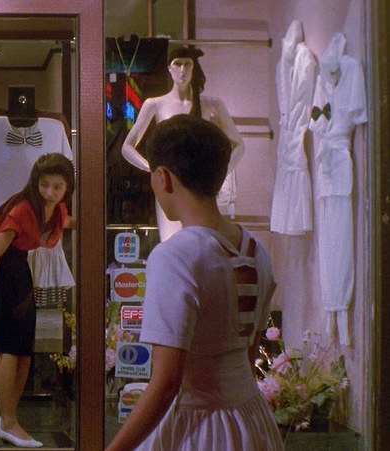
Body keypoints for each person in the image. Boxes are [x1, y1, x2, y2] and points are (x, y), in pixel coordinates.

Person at [105, 115, 283, 451]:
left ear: (163, 177)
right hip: (251, 419)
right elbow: (248, 356)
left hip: (200, 427)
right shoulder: (257, 251)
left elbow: (167, 382)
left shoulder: (175, 256)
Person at [0, 153, 76, 448]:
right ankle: (8, 421)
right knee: (9, 347)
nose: (49, 192)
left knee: (23, 349)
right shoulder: (21, 208)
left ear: (67, 187)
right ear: (35, 182)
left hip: (19, 267)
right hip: (1, 270)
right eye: (44, 185)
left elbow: (64, 222)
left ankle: (8, 419)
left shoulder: (56, 209)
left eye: (57, 186)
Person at [121, 46, 244, 241]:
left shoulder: (212, 104)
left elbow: (239, 145)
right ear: (169, 68)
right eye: (177, 64)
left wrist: (221, 172)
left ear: (194, 67)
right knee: (172, 242)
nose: (182, 70)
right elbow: (127, 147)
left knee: (203, 242)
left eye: (187, 64)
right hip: (170, 185)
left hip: (202, 185)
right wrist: (153, 168)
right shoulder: (155, 104)